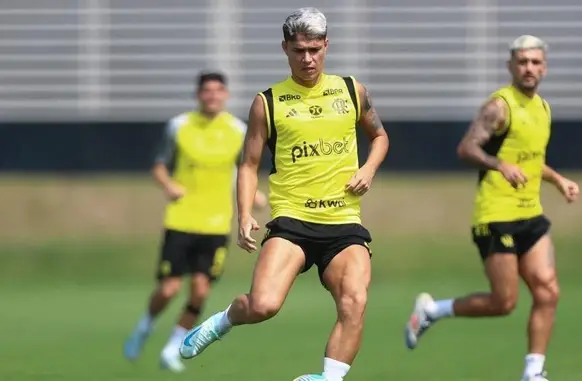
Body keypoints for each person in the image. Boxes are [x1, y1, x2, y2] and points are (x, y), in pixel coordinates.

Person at [179, 8, 389, 381]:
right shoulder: (268, 102)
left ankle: (328, 378)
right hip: (293, 221)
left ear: (326, 45)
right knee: (263, 305)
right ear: (285, 49)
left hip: (342, 222)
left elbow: (380, 136)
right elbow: (248, 164)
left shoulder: (352, 91)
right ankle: (224, 320)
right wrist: (243, 214)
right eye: (298, 50)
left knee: (355, 300)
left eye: (313, 49)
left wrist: (368, 169)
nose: (307, 58)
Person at [404, 35, 579, 381]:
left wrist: (558, 180)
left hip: (530, 214)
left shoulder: (542, 108)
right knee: (505, 302)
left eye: (535, 62)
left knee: (548, 291)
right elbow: (466, 148)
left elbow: (530, 162)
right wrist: (499, 165)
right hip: (495, 216)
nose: (529, 68)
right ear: (511, 66)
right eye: (523, 61)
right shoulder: (499, 107)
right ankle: (432, 310)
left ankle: (533, 372)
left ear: (544, 67)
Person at [123, 71, 267, 373]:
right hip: (181, 219)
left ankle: (173, 348)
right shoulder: (179, 126)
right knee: (168, 289)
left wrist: (253, 196)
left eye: (218, 91)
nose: (212, 96)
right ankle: (145, 327)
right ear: (199, 95)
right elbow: (159, 166)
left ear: (225, 95)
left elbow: (245, 169)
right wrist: (168, 186)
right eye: (207, 91)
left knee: (200, 291)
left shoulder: (238, 130)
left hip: (216, 225)